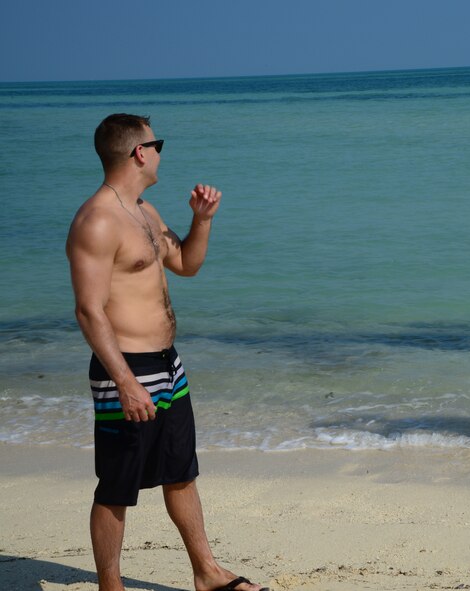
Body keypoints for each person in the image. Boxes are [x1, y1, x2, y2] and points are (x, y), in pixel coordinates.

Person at [66, 114, 269, 591]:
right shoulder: (96, 220)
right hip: (128, 370)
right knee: (117, 485)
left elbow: (186, 264)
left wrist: (202, 222)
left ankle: (207, 574)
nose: (160, 153)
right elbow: (89, 311)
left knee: (181, 473)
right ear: (140, 152)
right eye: (156, 144)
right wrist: (124, 381)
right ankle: (110, 586)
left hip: (168, 366)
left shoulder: (146, 211)